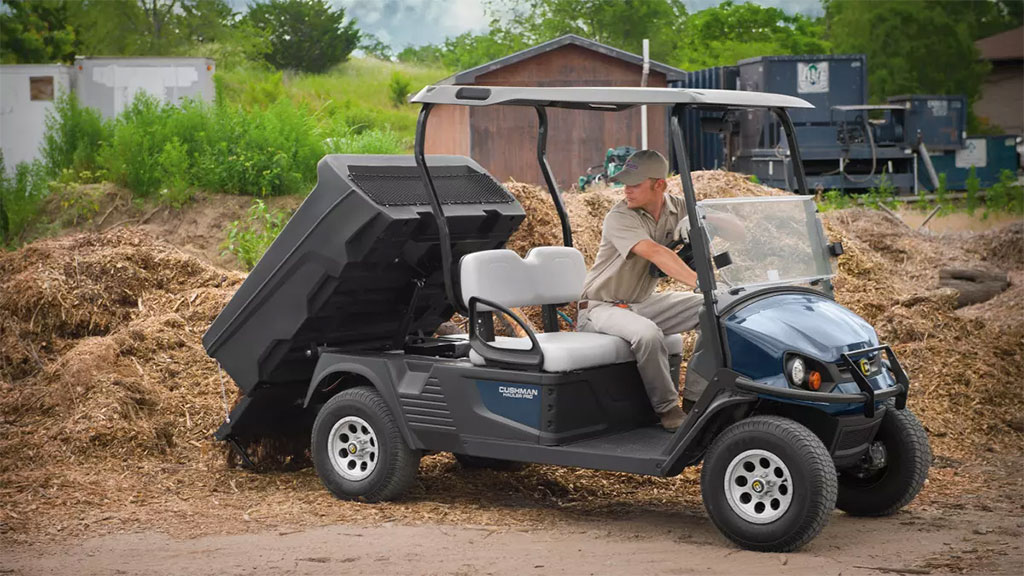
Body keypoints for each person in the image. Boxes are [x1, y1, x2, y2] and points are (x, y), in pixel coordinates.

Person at [575, 150, 744, 432]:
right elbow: (654, 252)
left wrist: (704, 218)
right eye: (624, 183)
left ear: (660, 185)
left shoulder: (679, 207)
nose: (626, 190)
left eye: (634, 183)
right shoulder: (620, 216)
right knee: (647, 333)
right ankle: (668, 411)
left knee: (717, 307)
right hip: (600, 307)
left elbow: (739, 232)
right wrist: (699, 282)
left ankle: (696, 397)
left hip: (642, 302)